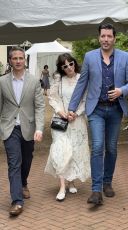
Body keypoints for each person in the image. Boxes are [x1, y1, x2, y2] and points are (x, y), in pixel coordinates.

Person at [68, 23, 128, 206]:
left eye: (109, 36)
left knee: (111, 148)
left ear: (114, 38)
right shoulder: (90, 57)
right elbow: (81, 84)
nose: (106, 39)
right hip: (96, 109)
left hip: (115, 110)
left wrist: (122, 90)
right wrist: (72, 108)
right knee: (97, 146)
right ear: (99, 37)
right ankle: (96, 189)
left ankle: (107, 182)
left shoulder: (124, 57)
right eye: (103, 36)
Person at [0, 46, 45, 216]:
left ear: (24, 61)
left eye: (21, 58)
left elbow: (40, 106)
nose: (18, 61)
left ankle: (24, 182)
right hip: (9, 128)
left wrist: (40, 128)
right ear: (10, 61)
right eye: (14, 58)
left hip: (28, 127)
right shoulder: (2, 81)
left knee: (26, 160)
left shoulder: (34, 81)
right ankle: (17, 201)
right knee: (14, 163)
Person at [44, 53, 90, 201]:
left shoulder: (82, 78)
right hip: (61, 121)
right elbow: (52, 97)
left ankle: (71, 182)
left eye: (71, 63)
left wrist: (76, 113)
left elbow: (86, 99)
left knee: (75, 152)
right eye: (65, 65)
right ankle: (63, 186)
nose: (69, 67)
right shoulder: (59, 80)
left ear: (74, 63)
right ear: (61, 68)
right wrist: (61, 112)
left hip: (77, 121)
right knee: (61, 151)